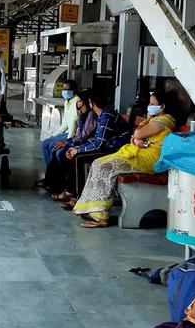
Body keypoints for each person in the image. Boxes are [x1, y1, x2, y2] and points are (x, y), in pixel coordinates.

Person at [73, 89, 176, 227]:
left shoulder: (164, 120)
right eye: (149, 104)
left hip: (147, 159)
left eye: (153, 104)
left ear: (162, 107)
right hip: (138, 153)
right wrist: (139, 139)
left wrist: (140, 136)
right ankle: (90, 208)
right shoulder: (154, 120)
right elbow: (136, 137)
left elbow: (138, 133)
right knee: (97, 162)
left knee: (105, 167)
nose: (149, 107)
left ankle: (101, 215)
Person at [44, 92, 96, 196]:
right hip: (78, 141)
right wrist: (66, 142)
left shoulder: (90, 116)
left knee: (60, 153)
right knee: (55, 150)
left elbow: (83, 137)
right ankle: (51, 182)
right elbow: (78, 135)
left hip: (85, 144)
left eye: (79, 100)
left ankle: (59, 185)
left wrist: (67, 144)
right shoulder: (82, 115)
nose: (77, 102)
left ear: (85, 102)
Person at [40, 80, 79, 168]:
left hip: (72, 134)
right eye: (63, 89)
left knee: (52, 146)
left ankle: (52, 173)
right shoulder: (67, 102)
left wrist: (67, 142)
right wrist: (54, 135)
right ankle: (50, 170)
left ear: (74, 91)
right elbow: (65, 123)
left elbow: (73, 123)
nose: (64, 92)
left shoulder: (76, 101)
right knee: (45, 143)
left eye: (67, 89)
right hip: (66, 132)